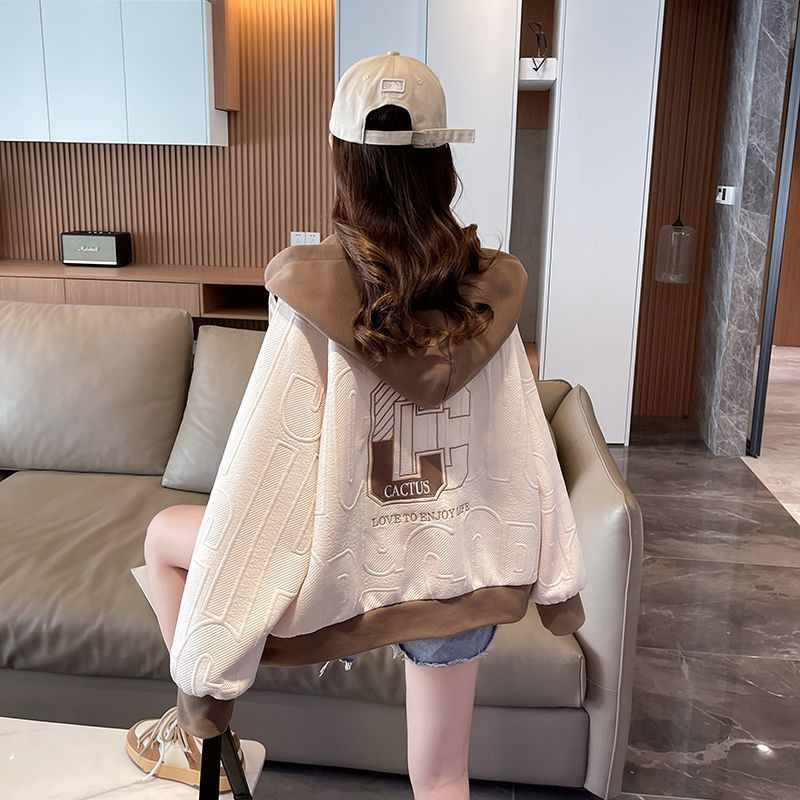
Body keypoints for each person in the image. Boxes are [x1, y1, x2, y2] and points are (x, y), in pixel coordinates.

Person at [125, 51, 587, 800]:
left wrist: (208, 682)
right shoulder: (490, 291)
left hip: (340, 569)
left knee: (161, 537)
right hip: (453, 567)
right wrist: (557, 582)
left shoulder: (309, 293)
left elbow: (269, 460)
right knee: (442, 776)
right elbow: (519, 443)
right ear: (443, 162)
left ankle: (195, 731)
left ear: (345, 161)